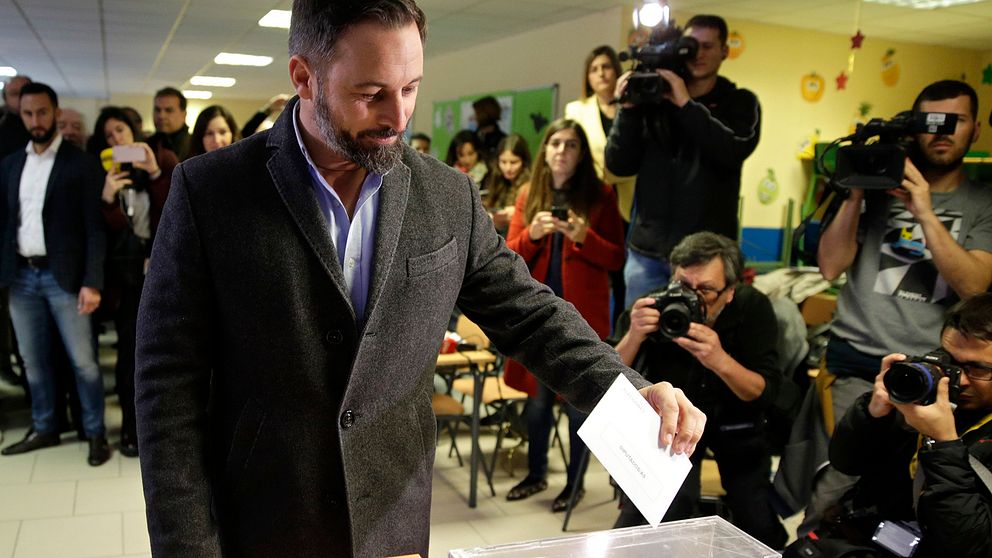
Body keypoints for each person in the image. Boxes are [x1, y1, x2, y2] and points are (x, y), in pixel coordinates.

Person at [134, 2, 706, 557]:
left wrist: (629, 392)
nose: (399, 116)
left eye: (410, 87)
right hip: (265, 516)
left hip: (392, 521)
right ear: (304, 78)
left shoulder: (446, 196)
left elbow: (531, 315)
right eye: (370, 93)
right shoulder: (209, 192)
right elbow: (167, 388)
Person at [797, 79, 992, 534]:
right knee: (833, 486)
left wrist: (924, 209)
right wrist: (857, 190)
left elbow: (974, 284)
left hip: (941, 377)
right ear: (912, 128)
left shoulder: (982, 202)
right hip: (857, 368)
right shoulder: (874, 193)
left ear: (975, 129)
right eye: (929, 122)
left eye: (955, 121)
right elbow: (829, 266)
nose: (941, 132)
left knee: (922, 491)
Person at [611, 231, 788, 549]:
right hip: (674, 428)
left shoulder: (752, 308)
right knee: (659, 511)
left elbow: (765, 393)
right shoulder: (656, 303)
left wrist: (720, 361)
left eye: (705, 290)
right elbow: (609, 381)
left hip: (737, 424)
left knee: (757, 519)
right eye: (682, 287)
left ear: (730, 291)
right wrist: (635, 335)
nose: (691, 298)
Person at [796, 293, 992, 558]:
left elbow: (967, 546)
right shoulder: (927, 394)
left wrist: (944, 443)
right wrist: (873, 413)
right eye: (950, 361)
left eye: (977, 369)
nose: (959, 380)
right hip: (875, 541)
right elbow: (847, 462)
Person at [503, 119, 624, 511]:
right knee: (536, 406)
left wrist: (582, 236)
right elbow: (508, 256)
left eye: (571, 145)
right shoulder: (529, 193)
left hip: (583, 319)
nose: (561, 151)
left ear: (581, 154)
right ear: (545, 151)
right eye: (555, 143)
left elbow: (617, 257)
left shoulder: (601, 195)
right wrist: (534, 234)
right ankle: (536, 474)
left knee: (579, 410)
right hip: (537, 316)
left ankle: (574, 485)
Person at [605, 14, 761, 307]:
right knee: (637, 341)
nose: (698, 55)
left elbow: (732, 151)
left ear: (724, 51)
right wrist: (627, 110)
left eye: (707, 46)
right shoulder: (653, 101)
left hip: (708, 261)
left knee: (697, 343)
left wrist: (686, 105)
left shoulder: (740, 102)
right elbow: (619, 165)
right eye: (691, 46)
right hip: (648, 254)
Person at [0, 82, 108, 466]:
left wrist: (92, 282)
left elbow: (95, 228)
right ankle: (45, 426)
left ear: (55, 112)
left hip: (66, 278)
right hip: (21, 277)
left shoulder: (81, 164)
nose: (35, 121)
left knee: (83, 362)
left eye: (42, 113)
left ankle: (95, 432)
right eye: (28, 114)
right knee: (32, 360)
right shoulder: (12, 164)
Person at [91, 106, 176, 457]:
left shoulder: (161, 163)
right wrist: (108, 198)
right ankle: (131, 429)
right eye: (109, 137)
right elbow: (106, 232)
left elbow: (172, 213)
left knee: (166, 358)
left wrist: (154, 172)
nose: (117, 140)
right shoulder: (105, 176)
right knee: (130, 357)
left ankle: (163, 430)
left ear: (135, 132)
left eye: (121, 132)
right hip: (126, 282)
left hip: (161, 275)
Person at [565, 45, 636, 327]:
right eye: (594, 69)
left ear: (616, 72)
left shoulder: (631, 107)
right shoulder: (577, 109)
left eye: (606, 67)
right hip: (590, 196)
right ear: (587, 77)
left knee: (622, 270)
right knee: (589, 265)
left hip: (628, 198)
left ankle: (621, 329)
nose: (601, 73)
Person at [481, 133, 530, 236]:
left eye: (513, 162)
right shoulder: (497, 180)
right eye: (503, 162)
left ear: (524, 162)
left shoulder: (528, 187)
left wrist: (518, 215)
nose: (508, 168)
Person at [146, 87, 191, 160]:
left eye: (169, 110)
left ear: (184, 115)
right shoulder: (145, 145)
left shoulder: (196, 145)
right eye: (157, 110)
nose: (161, 116)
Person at [0, 75, 32, 159]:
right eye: (14, 94)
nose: (20, 98)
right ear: (5, 98)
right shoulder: (2, 120)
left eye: (25, 92)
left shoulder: (43, 121)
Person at [472, 95, 505, 162]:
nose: (474, 117)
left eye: (476, 113)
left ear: (484, 113)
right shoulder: (472, 137)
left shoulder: (503, 140)